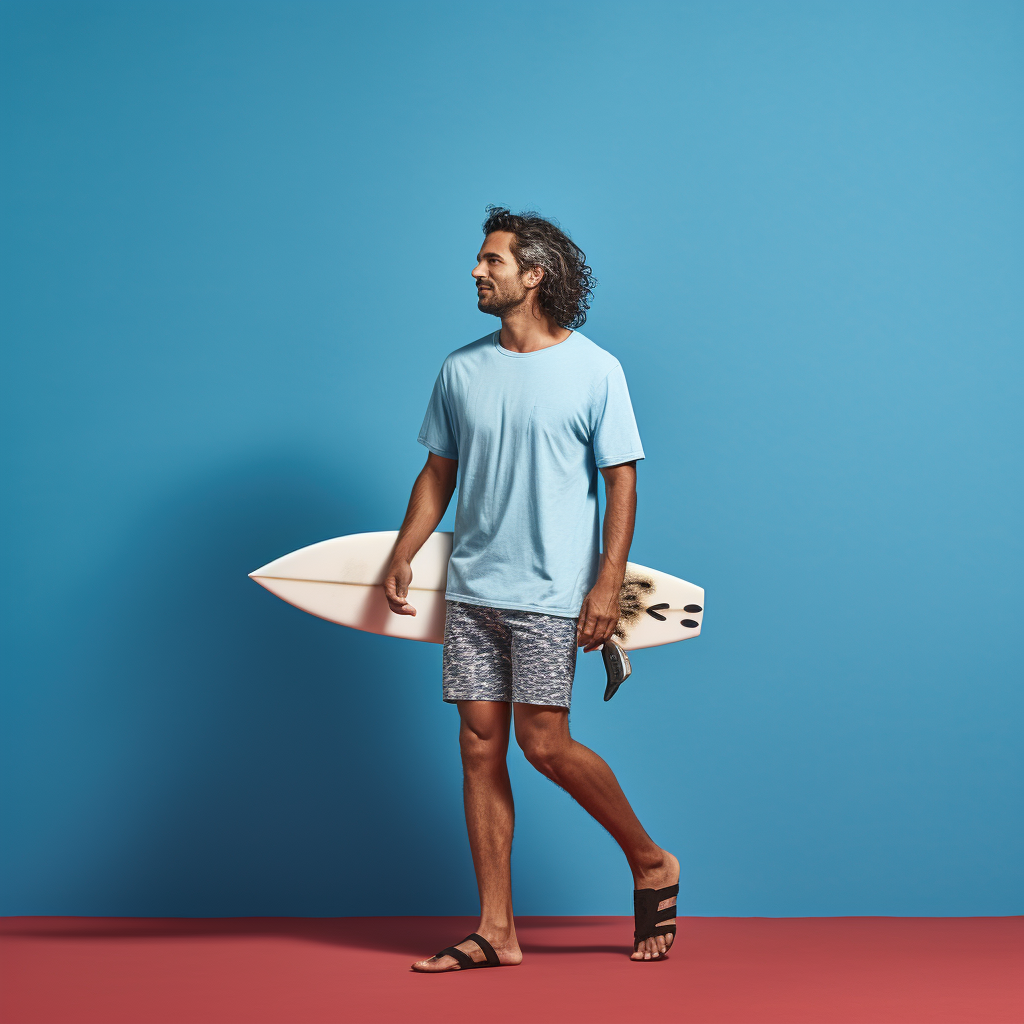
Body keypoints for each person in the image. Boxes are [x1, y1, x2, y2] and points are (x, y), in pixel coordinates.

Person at [383, 207, 679, 972]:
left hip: (551, 590)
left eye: (492, 261)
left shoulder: (595, 370)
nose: (477, 272)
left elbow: (621, 481)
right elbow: (438, 472)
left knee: (542, 743)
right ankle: (496, 931)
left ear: (535, 274)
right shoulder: (460, 368)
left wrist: (607, 581)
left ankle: (650, 860)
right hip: (474, 589)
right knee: (478, 747)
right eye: (479, 262)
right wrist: (406, 550)